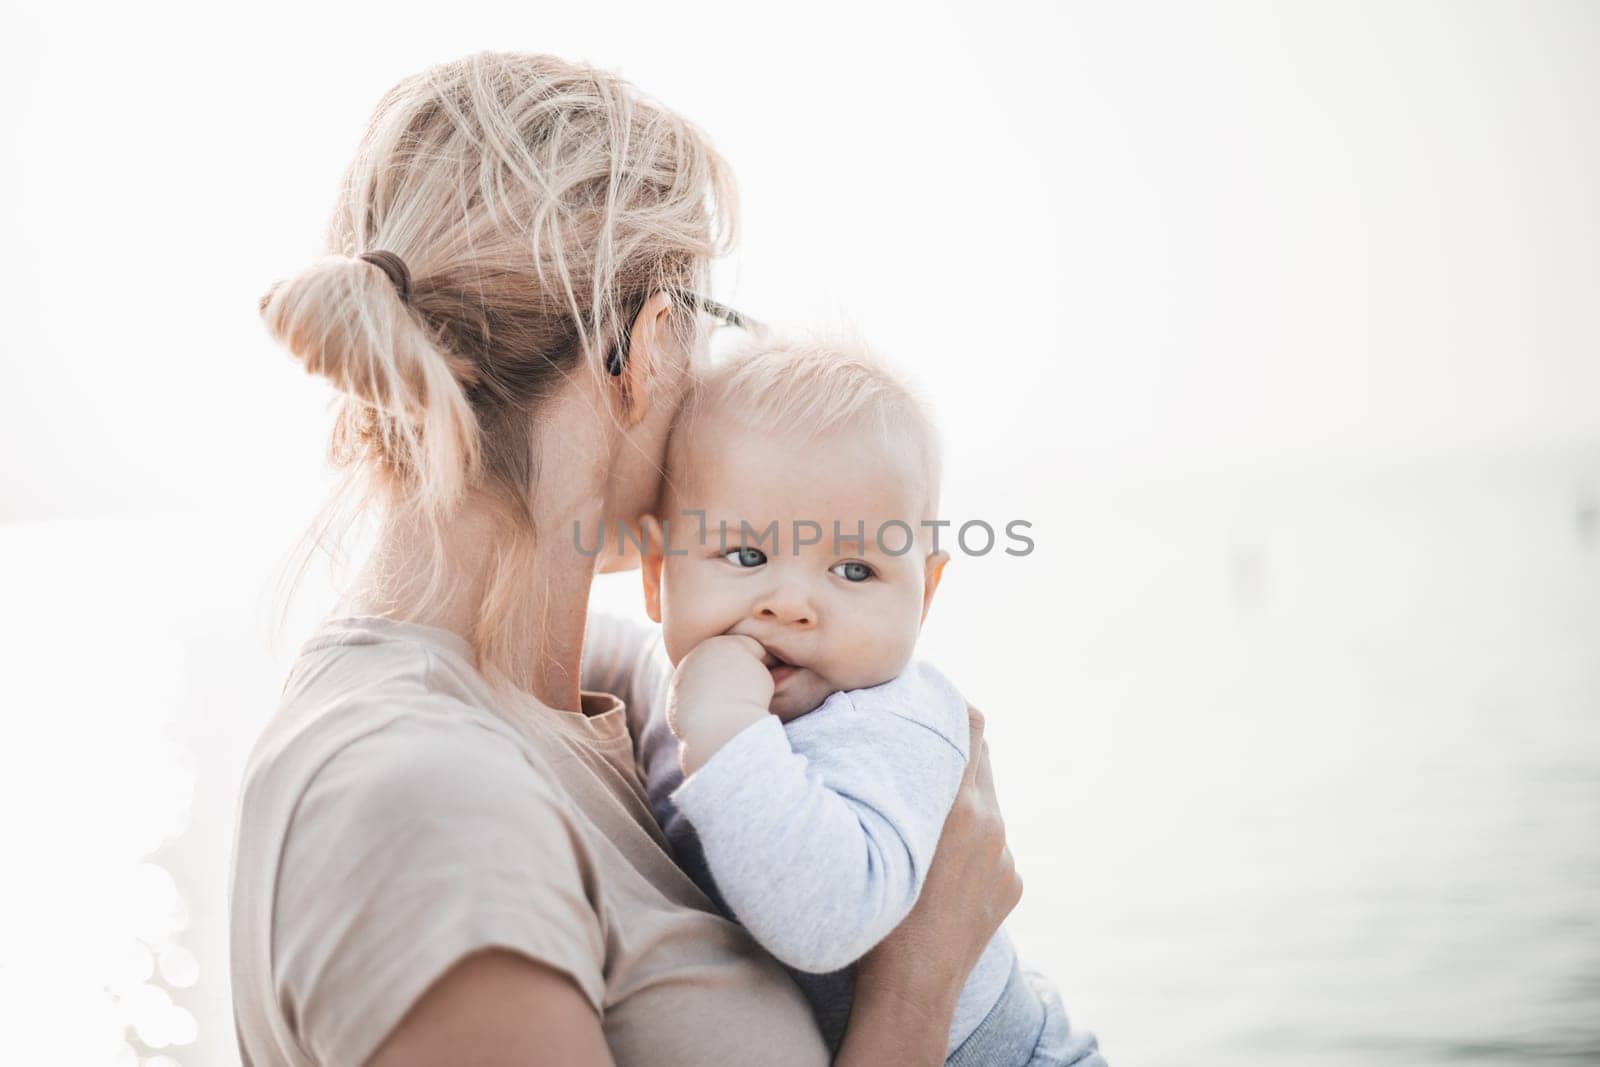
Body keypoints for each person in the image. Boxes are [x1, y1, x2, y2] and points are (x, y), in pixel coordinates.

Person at [230, 51, 1021, 1066]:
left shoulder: (568, 691)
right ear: (646, 350)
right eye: (709, 326)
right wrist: (919, 984)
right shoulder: (425, 805)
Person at [580, 333, 1103, 1065]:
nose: (792, 603)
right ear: (656, 573)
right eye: (746, 555)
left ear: (924, 595)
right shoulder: (694, 675)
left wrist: (725, 726)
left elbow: (821, 920)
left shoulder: (894, 724)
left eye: (854, 568)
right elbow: (577, 642)